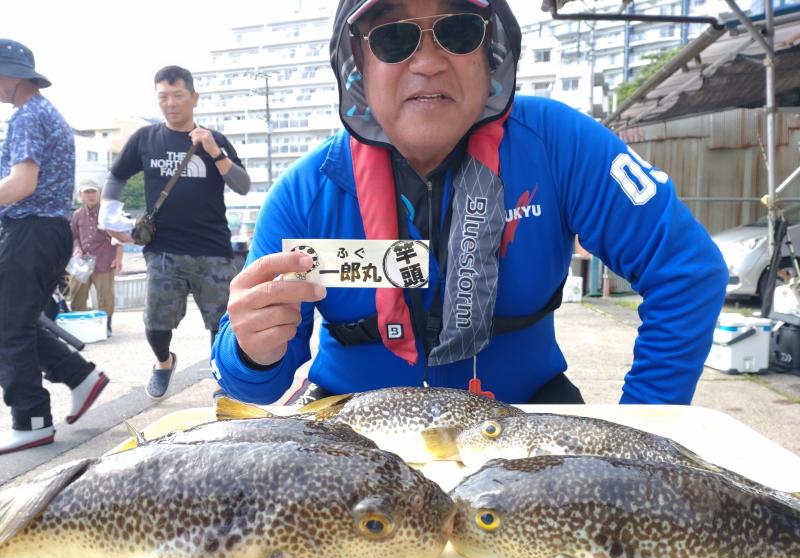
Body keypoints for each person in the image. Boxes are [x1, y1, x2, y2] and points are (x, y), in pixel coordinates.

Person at [210, 0, 728, 406]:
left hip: (524, 417)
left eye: (459, 31)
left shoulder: (561, 144)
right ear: (357, 66)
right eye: (393, 38)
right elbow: (255, 389)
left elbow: (688, 271)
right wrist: (251, 352)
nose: (430, 63)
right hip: (356, 433)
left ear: (491, 52)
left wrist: (641, 424)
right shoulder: (304, 196)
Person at [99, 65, 250, 400]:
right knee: (156, 323)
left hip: (213, 248)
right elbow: (117, 175)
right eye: (163, 97)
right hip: (164, 248)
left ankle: (223, 380)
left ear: (194, 97)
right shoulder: (145, 139)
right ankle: (164, 363)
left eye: (177, 95)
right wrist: (109, 213)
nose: (170, 103)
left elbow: (242, 186)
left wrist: (214, 151)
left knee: (221, 324)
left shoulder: (215, 140)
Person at [0, 39, 109, 454]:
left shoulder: (26, 116)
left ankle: (30, 420)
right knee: (19, 322)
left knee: (8, 327)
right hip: (49, 232)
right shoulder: (50, 114)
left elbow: (22, 184)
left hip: (30, 230)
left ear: (10, 76)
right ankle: (80, 377)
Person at [69, 180, 123, 337]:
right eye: (87, 192)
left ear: (99, 194)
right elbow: (74, 236)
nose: (91, 195)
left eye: (93, 192)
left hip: (105, 260)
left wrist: (118, 258)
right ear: (81, 196)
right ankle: (79, 325)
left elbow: (120, 236)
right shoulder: (77, 215)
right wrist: (77, 249)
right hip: (82, 262)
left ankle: (106, 326)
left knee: (105, 296)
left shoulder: (108, 213)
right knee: (77, 294)